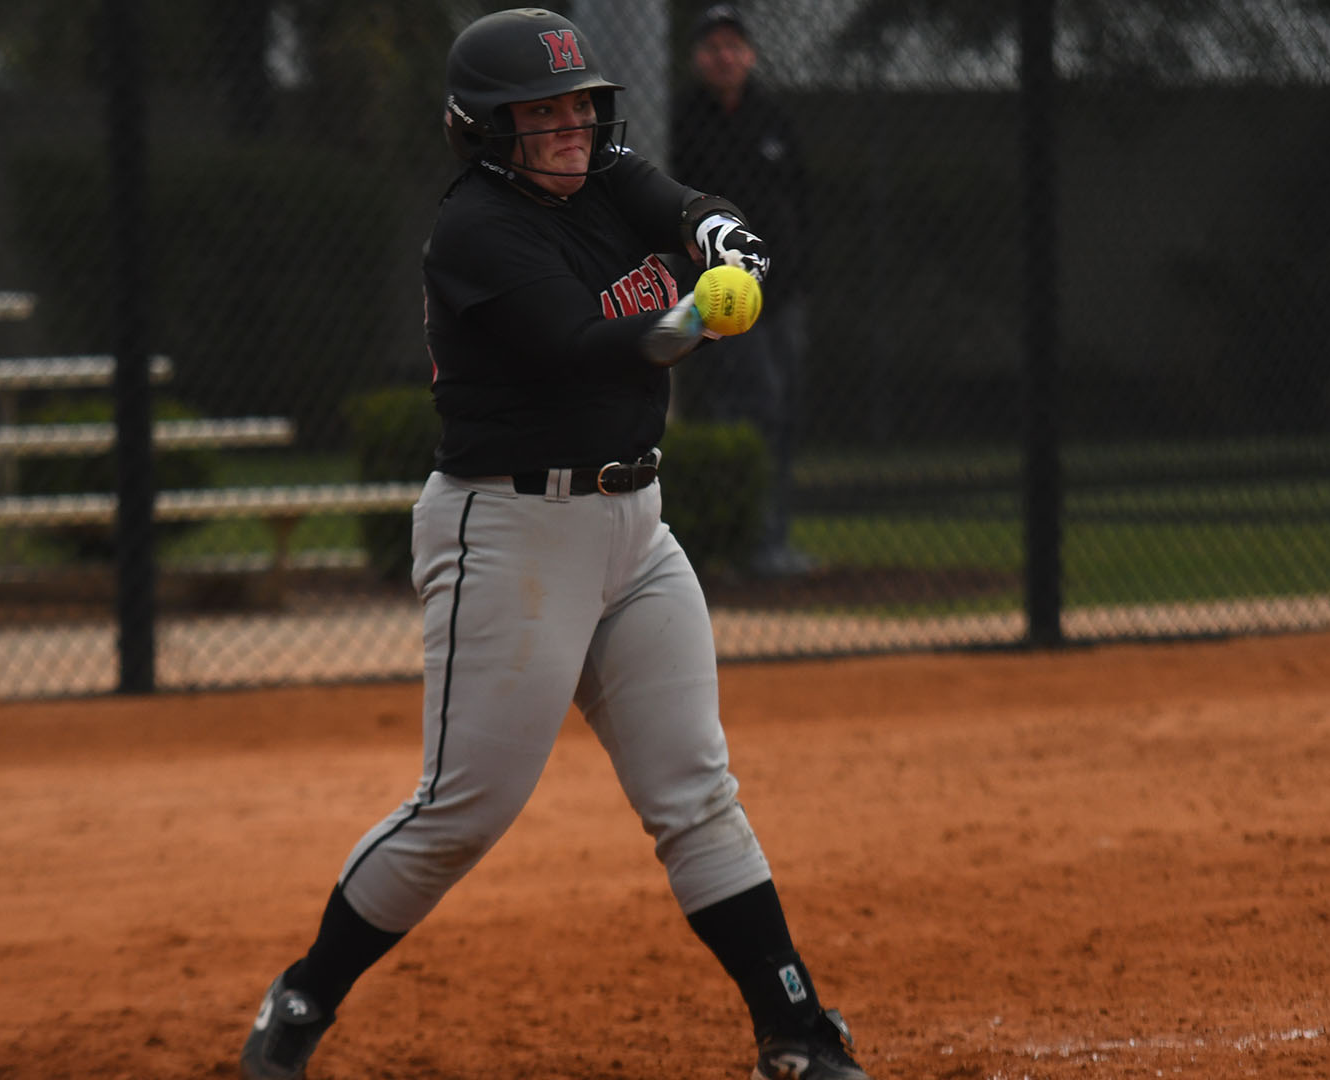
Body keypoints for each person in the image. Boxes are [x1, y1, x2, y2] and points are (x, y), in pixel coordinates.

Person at [239, 9, 870, 1080]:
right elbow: (585, 351)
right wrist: (696, 321)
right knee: (464, 809)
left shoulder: (605, 171)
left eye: (579, 104)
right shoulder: (478, 232)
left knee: (694, 790)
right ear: (488, 130)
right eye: (543, 113)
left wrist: (722, 237)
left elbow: (686, 206)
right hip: (511, 533)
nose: (572, 126)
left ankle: (798, 1036)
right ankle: (301, 999)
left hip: (636, 527)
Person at [669, 3, 815, 578]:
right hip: (722, 294)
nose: (724, 56)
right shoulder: (682, 120)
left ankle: (770, 538)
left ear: (750, 55)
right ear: (697, 58)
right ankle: (743, 543)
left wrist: (802, 276)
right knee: (747, 408)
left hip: (781, 297)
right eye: (713, 46)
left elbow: (801, 200)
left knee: (781, 413)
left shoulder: (773, 117)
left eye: (734, 45)